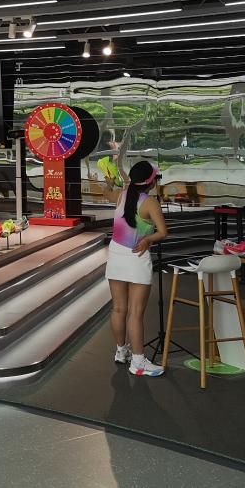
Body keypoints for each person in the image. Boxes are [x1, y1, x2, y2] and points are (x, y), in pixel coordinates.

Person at [102, 160, 169, 377]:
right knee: (136, 313)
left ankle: (121, 351)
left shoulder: (121, 195)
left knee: (118, 309)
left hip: (116, 255)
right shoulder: (150, 203)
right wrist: (147, 239)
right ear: (151, 182)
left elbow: (106, 193)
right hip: (137, 257)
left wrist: (109, 182)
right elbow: (163, 232)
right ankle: (138, 362)